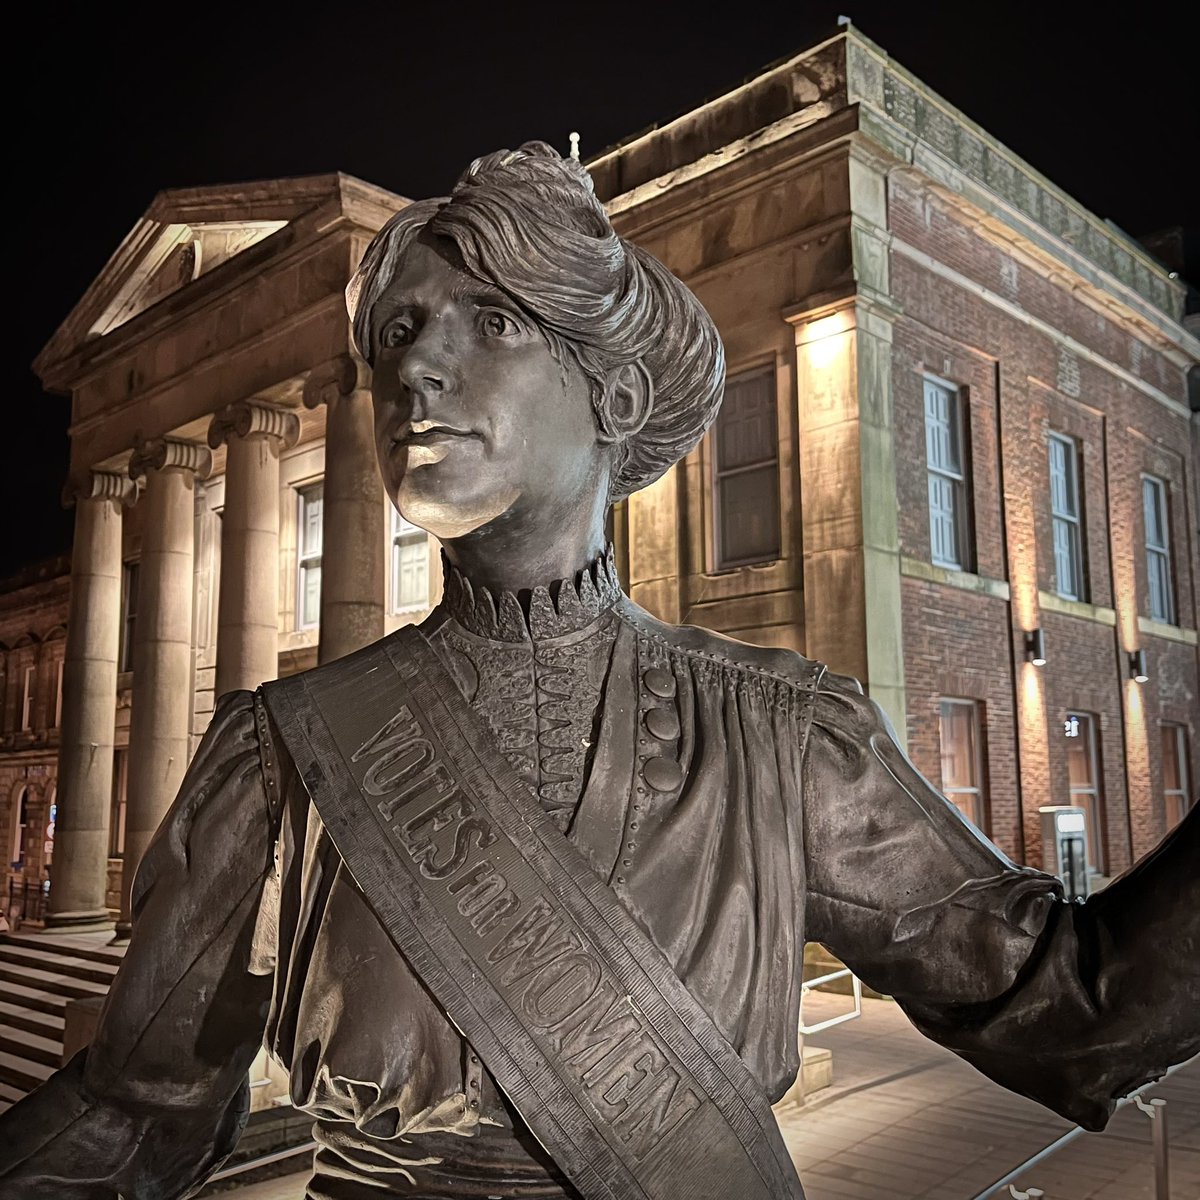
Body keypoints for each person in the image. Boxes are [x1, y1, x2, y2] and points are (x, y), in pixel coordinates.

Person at [1, 142, 1196, 1200]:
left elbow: (1076, 1010)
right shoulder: (278, 756)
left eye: (493, 321)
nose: (417, 368)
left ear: (615, 392)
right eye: (398, 335)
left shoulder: (785, 736)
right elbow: (129, 1120)